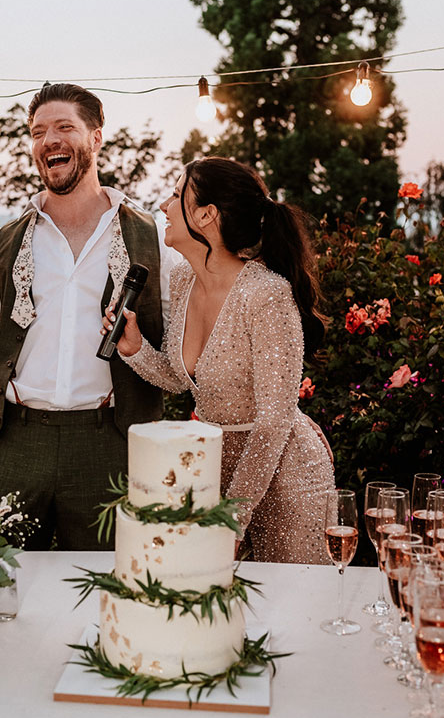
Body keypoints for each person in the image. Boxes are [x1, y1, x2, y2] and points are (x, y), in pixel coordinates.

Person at [0, 83, 175, 550]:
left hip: (112, 446)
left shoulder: (156, 238)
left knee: (112, 592)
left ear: (96, 138)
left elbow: (185, 349)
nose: (50, 139)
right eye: (38, 131)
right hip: (13, 446)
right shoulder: (1, 245)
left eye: (66, 127)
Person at [104, 157, 335, 563]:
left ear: (206, 215)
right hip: (213, 472)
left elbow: (274, 421)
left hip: (283, 475)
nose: (164, 206)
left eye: (176, 196)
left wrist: (233, 517)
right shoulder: (183, 280)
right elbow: (183, 380)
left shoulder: (266, 295)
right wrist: (135, 349)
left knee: (288, 612)